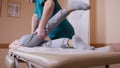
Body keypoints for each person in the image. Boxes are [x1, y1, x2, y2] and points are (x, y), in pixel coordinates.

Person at [9, 1, 94, 50]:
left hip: (62, 29)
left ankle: (69, 8)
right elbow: (35, 16)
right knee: (47, 45)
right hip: (55, 34)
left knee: (48, 26)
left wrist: (41, 27)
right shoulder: (37, 3)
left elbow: (50, 3)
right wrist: (33, 35)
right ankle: (73, 43)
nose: (27, 1)